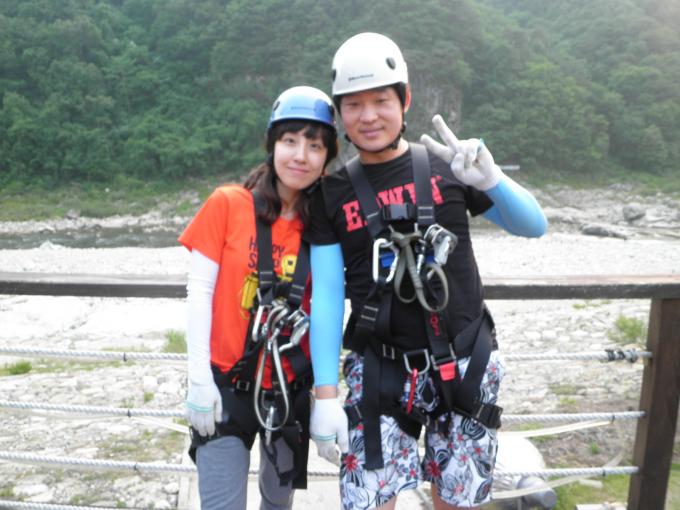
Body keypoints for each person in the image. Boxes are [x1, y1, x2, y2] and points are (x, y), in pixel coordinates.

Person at [306, 33, 548, 510]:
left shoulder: (448, 166)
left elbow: (533, 225)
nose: (369, 116)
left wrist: (492, 180)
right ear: (340, 113)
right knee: (369, 501)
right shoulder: (331, 193)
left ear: (405, 100)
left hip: (464, 359)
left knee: (456, 501)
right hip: (380, 367)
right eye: (354, 105)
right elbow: (329, 297)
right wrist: (326, 396)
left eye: (381, 101)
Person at [179, 85, 337, 510]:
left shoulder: (324, 229)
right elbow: (199, 292)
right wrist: (198, 379)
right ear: (272, 146)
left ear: (327, 157)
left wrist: (327, 399)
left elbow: (329, 311)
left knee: (277, 502)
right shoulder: (228, 205)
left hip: (288, 391)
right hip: (226, 387)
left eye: (315, 145)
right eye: (290, 141)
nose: (300, 155)